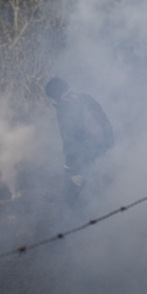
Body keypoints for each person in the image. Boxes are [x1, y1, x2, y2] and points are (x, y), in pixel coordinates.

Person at [45, 77, 114, 205]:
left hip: (87, 151)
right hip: (104, 147)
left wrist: (71, 165)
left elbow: (70, 138)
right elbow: (104, 121)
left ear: (55, 95)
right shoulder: (85, 97)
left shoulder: (65, 106)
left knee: (71, 188)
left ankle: (69, 219)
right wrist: (109, 144)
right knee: (98, 184)